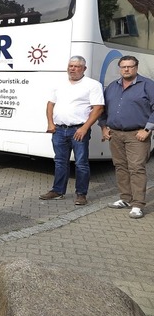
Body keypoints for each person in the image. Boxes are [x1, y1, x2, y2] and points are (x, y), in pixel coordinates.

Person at [39, 56, 104, 205]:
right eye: (70, 66)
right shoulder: (59, 84)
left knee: (81, 163)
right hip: (59, 130)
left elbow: (98, 108)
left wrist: (85, 128)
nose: (72, 69)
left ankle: (81, 194)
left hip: (79, 130)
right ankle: (57, 191)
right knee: (60, 162)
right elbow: (50, 104)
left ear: (84, 69)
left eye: (76, 66)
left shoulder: (92, 85)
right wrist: (50, 123)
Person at [99, 55, 154, 219]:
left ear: (136, 67)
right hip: (115, 134)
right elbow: (102, 110)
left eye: (130, 66)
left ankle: (138, 205)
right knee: (120, 166)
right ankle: (125, 198)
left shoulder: (147, 85)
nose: (127, 69)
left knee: (136, 168)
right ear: (119, 68)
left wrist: (147, 129)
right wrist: (103, 127)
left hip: (137, 134)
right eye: (123, 67)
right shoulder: (111, 87)